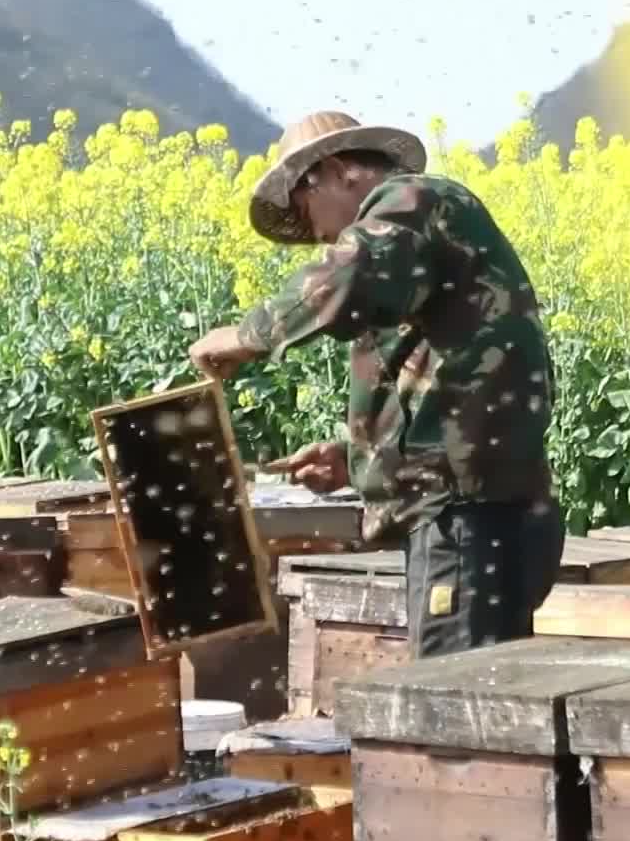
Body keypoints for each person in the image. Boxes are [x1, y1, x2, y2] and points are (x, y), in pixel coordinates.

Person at [189, 110, 564, 659]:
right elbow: (435, 378)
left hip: (466, 515)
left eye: (306, 211)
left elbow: (352, 273)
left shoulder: (416, 201)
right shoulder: (417, 250)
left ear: (336, 171)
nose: (319, 237)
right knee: (479, 704)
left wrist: (246, 336)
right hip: (468, 512)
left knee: (455, 709)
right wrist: (356, 457)